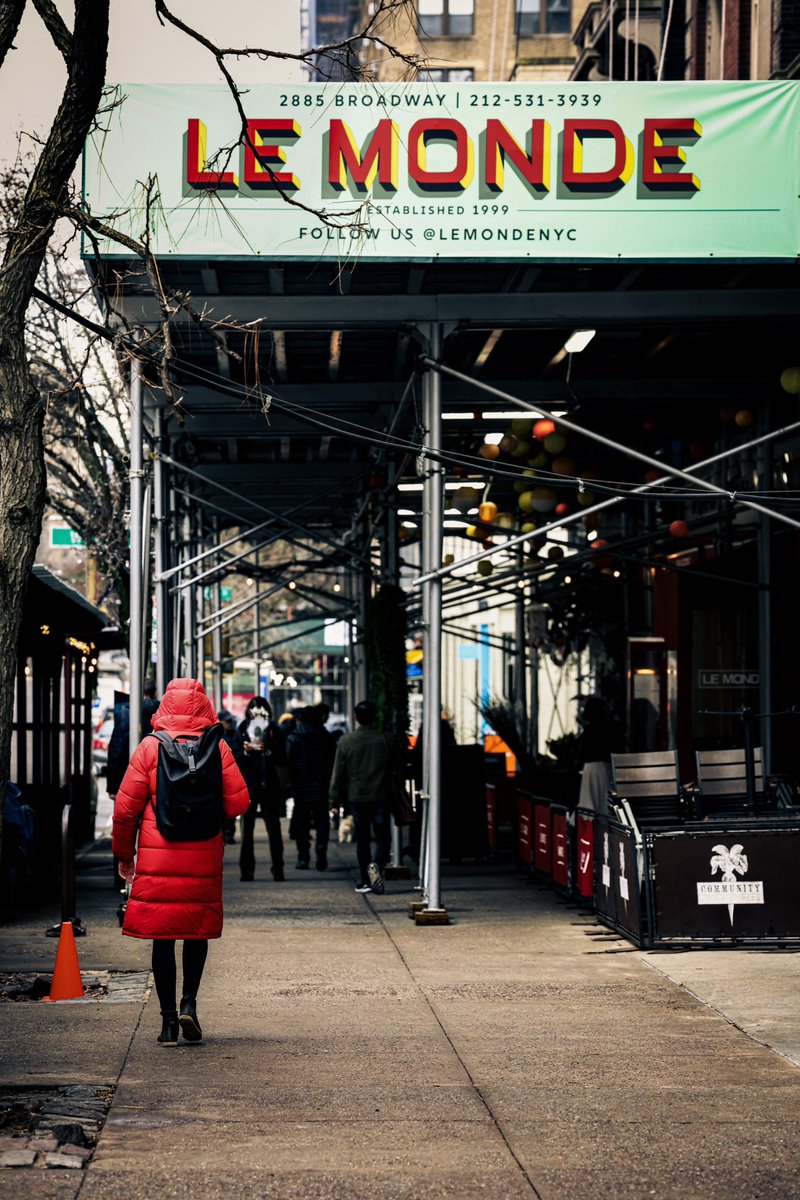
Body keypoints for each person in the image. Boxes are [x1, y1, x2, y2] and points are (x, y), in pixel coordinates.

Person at [111, 678, 249, 1046]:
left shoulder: (149, 748)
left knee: (162, 937)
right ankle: (190, 1001)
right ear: (203, 706)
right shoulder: (217, 748)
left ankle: (168, 1023)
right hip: (202, 853)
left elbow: (124, 812)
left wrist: (125, 856)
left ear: (165, 707)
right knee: (196, 930)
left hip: (160, 853)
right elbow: (238, 803)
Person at [329, 700, 393, 895]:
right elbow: (396, 766)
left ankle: (366, 880)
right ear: (375, 717)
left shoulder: (346, 741)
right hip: (381, 795)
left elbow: (338, 774)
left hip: (357, 797)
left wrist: (334, 801)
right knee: (383, 837)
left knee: (363, 840)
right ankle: (377, 866)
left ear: (356, 718)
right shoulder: (386, 739)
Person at [237, 696, 287, 883]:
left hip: (267, 784)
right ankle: (248, 870)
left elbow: (282, 757)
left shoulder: (274, 730)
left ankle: (277, 868)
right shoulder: (243, 729)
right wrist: (245, 751)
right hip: (252, 784)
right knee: (251, 830)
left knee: (270, 829)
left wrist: (268, 750)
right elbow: (235, 755)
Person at [286, 705, 336, 871]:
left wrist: (290, 782)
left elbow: (288, 760)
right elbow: (332, 762)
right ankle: (321, 847)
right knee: (322, 821)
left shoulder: (295, 737)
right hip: (322, 786)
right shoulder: (327, 737)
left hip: (301, 787)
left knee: (302, 823)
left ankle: (303, 857)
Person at [577, 695, 624, 816]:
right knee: (605, 804)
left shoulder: (587, 731)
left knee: (589, 803)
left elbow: (580, 753)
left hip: (590, 769)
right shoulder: (610, 729)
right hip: (605, 768)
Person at [217, 710, 243, 844]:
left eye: (230, 721)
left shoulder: (235, 734)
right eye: (227, 721)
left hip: (231, 775)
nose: (230, 723)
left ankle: (229, 833)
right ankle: (223, 833)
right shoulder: (217, 736)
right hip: (219, 776)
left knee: (230, 806)